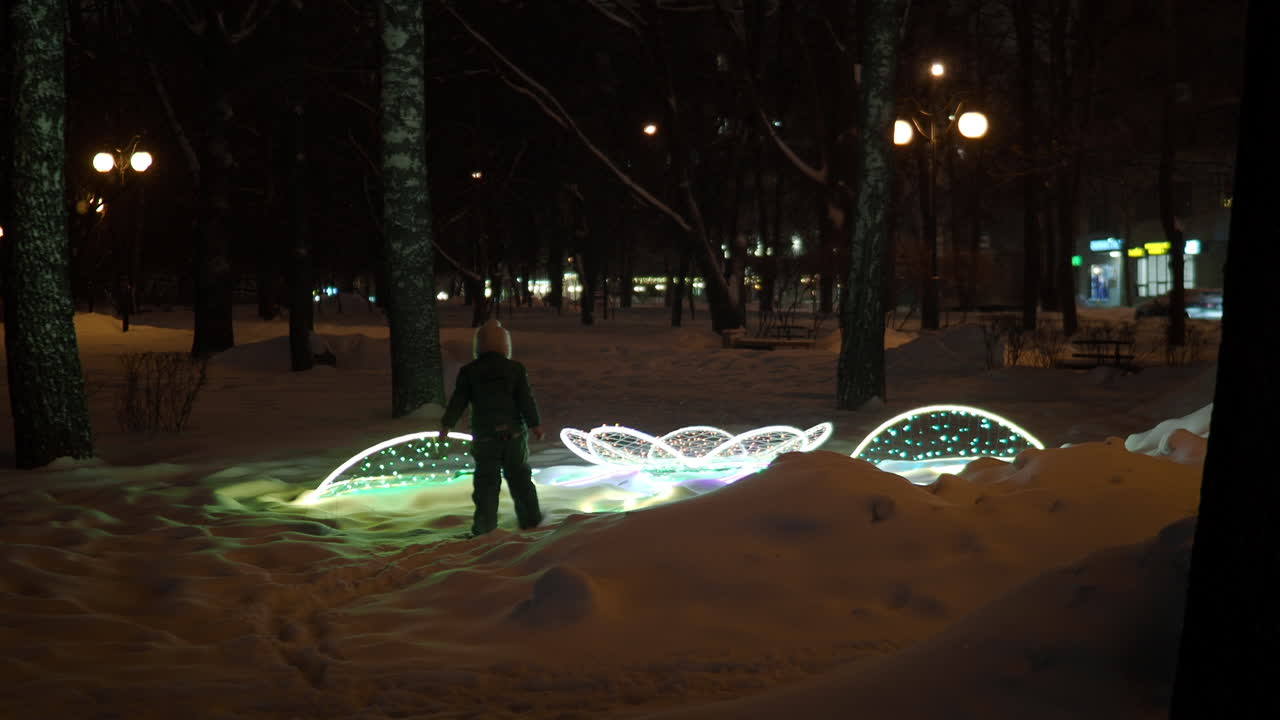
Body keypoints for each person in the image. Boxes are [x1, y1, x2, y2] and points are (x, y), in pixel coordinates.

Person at [440, 318, 544, 537]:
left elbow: (458, 400)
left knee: (486, 485)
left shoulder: (470, 371)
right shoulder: (515, 369)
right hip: (514, 436)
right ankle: (532, 522)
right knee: (521, 480)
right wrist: (535, 425)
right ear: (505, 344)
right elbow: (526, 399)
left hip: (485, 438)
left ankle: (485, 528)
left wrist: (446, 425)